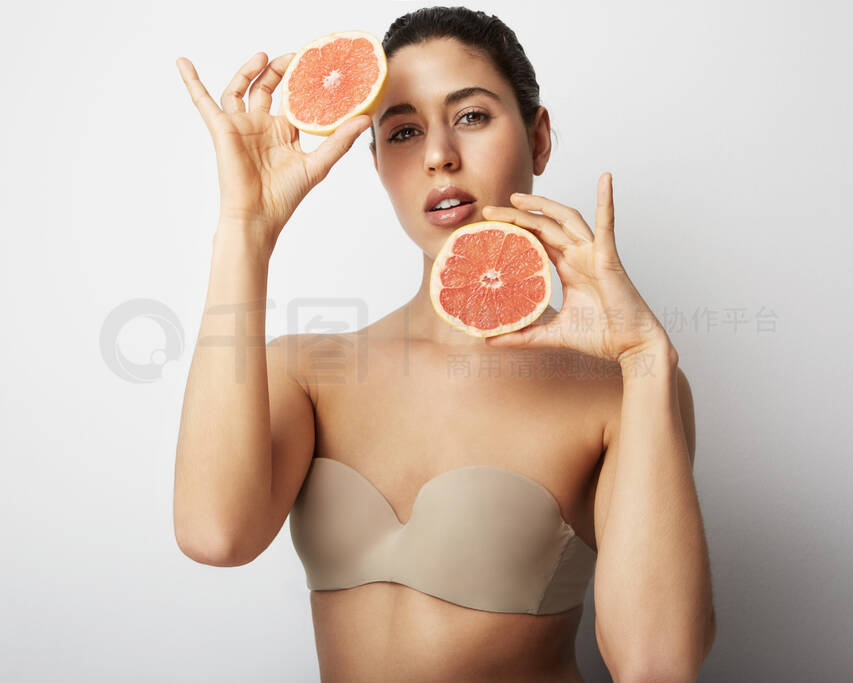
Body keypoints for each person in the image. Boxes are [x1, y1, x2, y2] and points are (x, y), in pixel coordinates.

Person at [173, 6, 715, 682]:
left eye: (471, 116)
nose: (438, 155)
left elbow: (658, 664)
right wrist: (244, 230)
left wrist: (645, 360)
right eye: (403, 130)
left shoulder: (620, 389)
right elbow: (213, 534)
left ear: (539, 138)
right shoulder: (307, 371)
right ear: (375, 163)